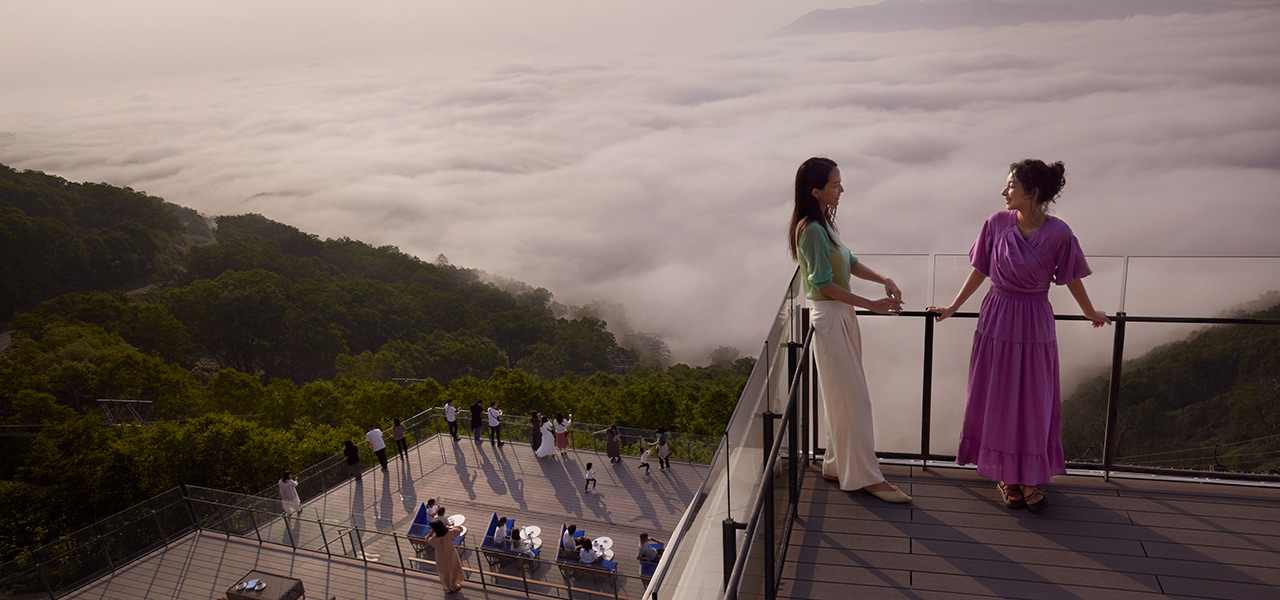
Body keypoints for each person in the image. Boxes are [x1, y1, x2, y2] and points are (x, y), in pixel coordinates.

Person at [927, 159, 1109, 513]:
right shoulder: (996, 223)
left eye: (1010, 185)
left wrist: (1090, 312)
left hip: (1035, 319)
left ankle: (1028, 476)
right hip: (997, 316)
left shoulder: (1059, 233)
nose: (1003, 191)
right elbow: (980, 270)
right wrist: (951, 307)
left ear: (1032, 192)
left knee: (1033, 399)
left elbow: (1072, 278)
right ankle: (1006, 476)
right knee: (998, 395)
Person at [790, 157, 911, 503]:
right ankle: (866, 478)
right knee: (854, 399)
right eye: (835, 185)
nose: (841, 189)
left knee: (842, 399)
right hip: (830, 317)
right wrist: (870, 303)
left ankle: (835, 463)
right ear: (816, 191)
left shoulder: (822, 224)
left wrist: (883, 279)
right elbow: (822, 283)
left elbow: (850, 260)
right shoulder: (811, 230)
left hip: (840, 315)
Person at [425, 519, 465, 593]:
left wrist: (430, 533)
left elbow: (426, 540)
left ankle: (448, 587)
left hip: (440, 557)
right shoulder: (450, 533)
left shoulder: (434, 539)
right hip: (451, 554)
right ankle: (454, 585)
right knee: (454, 570)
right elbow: (460, 529)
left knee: (444, 573)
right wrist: (449, 528)